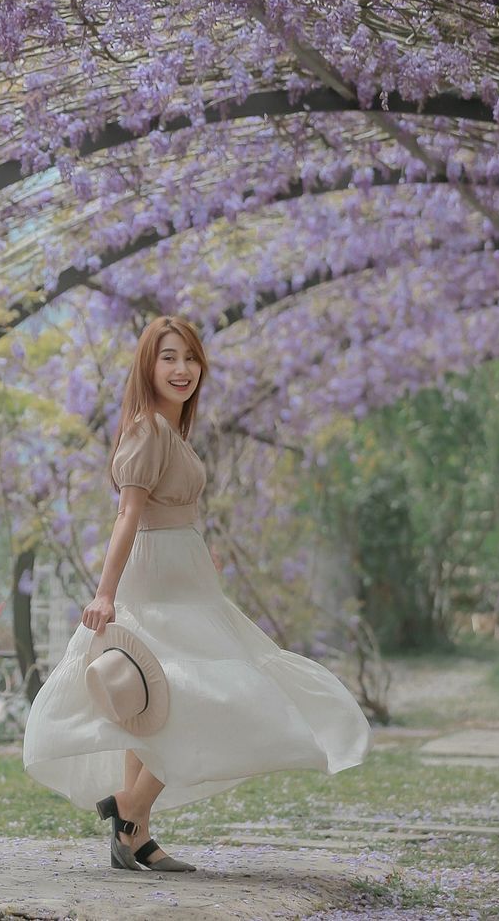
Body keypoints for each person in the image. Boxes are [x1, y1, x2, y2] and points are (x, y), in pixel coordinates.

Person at [22, 315, 373, 872]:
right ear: (148, 366)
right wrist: (105, 594)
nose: (182, 369)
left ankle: (133, 832)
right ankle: (132, 809)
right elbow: (128, 516)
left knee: (156, 699)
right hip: (156, 578)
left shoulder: (170, 431)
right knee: (190, 692)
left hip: (185, 574)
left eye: (189, 358)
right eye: (168, 358)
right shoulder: (146, 431)